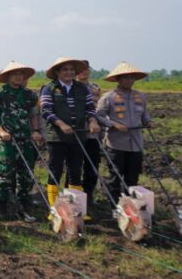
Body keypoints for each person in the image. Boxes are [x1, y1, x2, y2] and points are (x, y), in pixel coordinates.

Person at [39, 57, 100, 215]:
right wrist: (61, 124)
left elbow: (90, 108)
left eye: (72, 70)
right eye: (65, 69)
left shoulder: (81, 88)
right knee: (55, 170)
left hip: (77, 136)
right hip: (57, 137)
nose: (69, 72)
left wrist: (92, 121)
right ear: (57, 72)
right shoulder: (49, 88)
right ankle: (53, 209)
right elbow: (45, 111)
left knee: (75, 171)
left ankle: (76, 209)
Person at [0, 62, 42, 222]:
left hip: (25, 141)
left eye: (20, 74)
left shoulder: (30, 95)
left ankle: (23, 209)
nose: (18, 76)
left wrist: (36, 131)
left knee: (26, 177)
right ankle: (1, 209)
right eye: (15, 73)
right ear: (8, 76)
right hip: (6, 142)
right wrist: (1, 131)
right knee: (5, 175)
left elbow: (33, 115)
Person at [96, 62, 153, 204]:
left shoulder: (140, 96)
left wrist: (149, 122)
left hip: (136, 144)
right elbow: (98, 116)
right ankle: (115, 206)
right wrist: (114, 124)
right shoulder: (108, 97)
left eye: (132, 78)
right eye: (126, 78)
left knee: (133, 178)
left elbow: (145, 115)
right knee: (115, 176)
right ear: (118, 80)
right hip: (116, 144)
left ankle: (131, 205)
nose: (129, 81)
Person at [73, 60, 102, 215]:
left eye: (86, 69)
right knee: (74, 166)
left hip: (92, 133)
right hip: (76, 133)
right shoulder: (70, 88)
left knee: (92, 165)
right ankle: (73, 195)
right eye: (81, 70)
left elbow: (97, 110)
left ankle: (89, 194)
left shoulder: (95, 88)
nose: (84, 72)